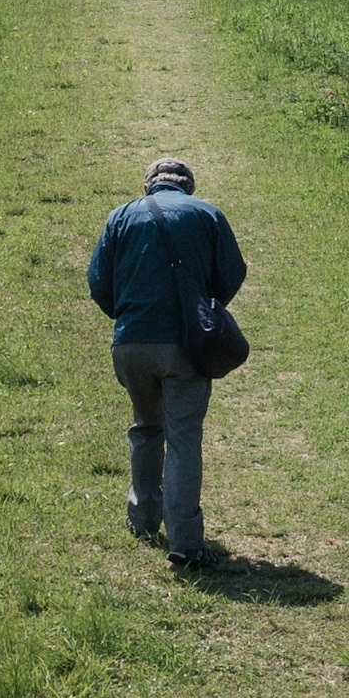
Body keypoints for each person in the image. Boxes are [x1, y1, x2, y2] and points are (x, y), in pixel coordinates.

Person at [85, 155, 246, 572]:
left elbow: (98, 282)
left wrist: (128, 317)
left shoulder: (120, 217)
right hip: (185, 348)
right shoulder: (208, 215)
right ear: (187, 186)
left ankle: (142, 521)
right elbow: (233, 273)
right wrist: (204, 314)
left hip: (131, 345)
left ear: (149, 185)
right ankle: (186, 544)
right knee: (184, 438)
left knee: (145, 426)